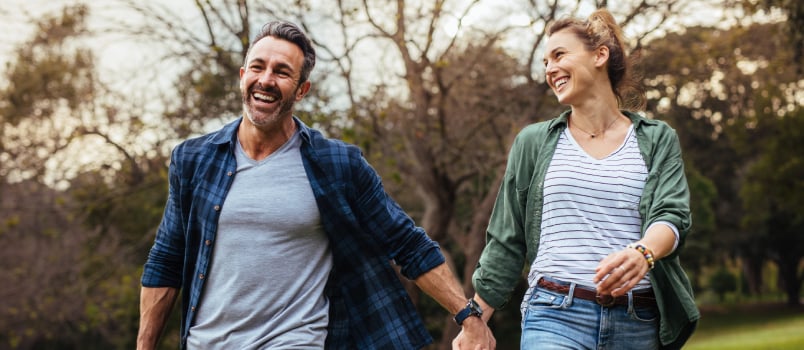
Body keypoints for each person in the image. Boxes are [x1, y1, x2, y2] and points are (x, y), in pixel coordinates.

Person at [137, 20, 494, 350]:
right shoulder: (194, 159)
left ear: (302, 89)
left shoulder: (338, 165)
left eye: (281, 72)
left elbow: (407, 242)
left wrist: (468, 316)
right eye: (258, 67)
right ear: (242, 75)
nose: (265, 80)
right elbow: (167, 261)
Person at [453, 9, 698, 350]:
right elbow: (506, 240)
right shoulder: (533, 143)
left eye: (559, 55)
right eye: (545, 63)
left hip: (638, 321)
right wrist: (474, 319)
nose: (550, 69)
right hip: (555, 314)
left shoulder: (657, 139)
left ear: (600, 55)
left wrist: (643, 253)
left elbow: (671, 217)